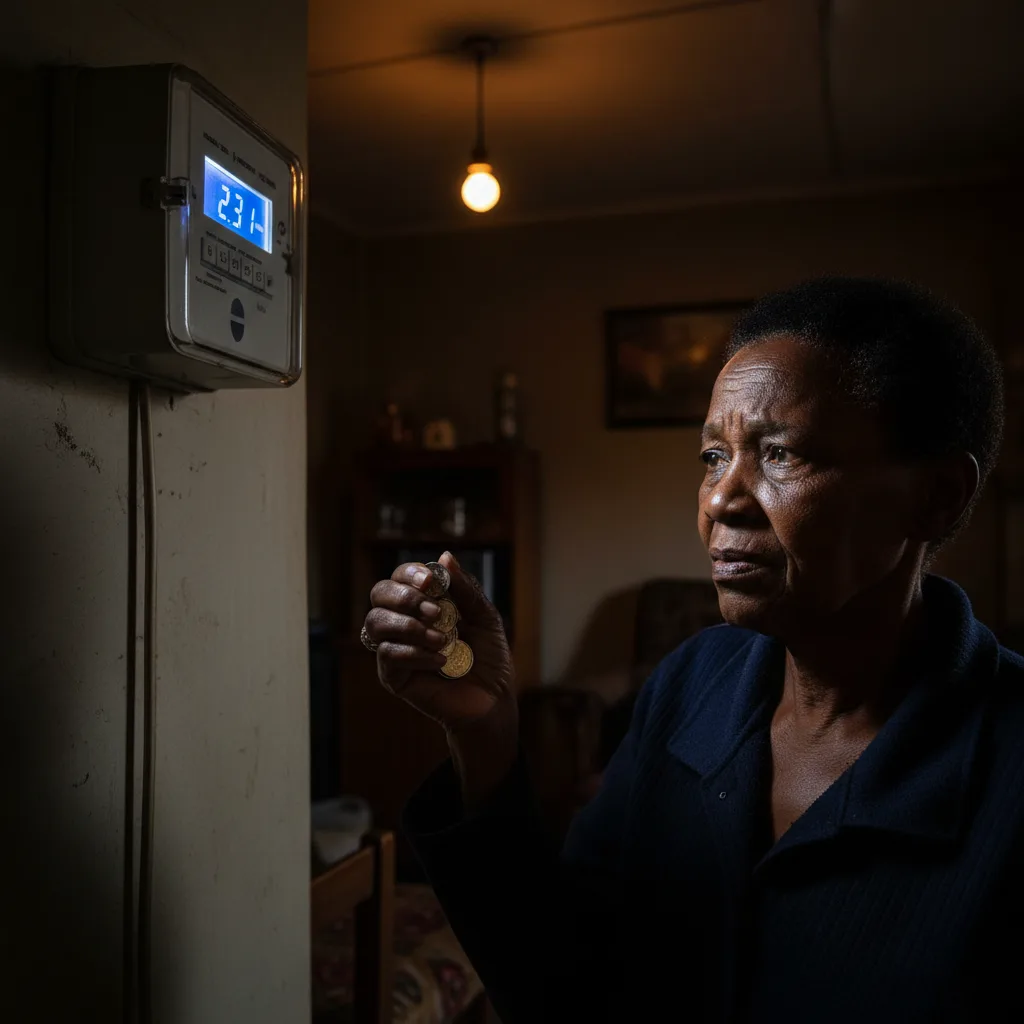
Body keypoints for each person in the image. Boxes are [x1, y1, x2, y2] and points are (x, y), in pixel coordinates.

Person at [360, 276, 1023, 1023]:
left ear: (937, 497)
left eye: (781, 454)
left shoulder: (1007, 766)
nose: (719, 501)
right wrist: (484, 737)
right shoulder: (692, 685)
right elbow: (561, 983)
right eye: (713, 456)